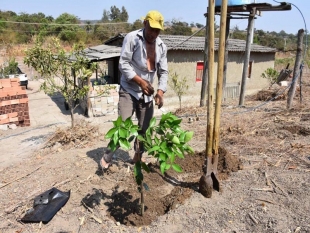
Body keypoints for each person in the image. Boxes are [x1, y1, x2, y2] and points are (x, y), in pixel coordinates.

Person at [100, 10, 168, 169]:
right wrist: (140, 82)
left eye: (157, 30)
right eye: (152, 29)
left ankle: (137, 157)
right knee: (122, 127)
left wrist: (160, 92)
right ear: (145, 24)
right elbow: (123, 64)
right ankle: (106, 159)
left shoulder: (161, 46)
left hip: (147, 95)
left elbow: (163, 71)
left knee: (145, 129)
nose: (154, 33)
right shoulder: (132, 38)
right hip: (129, 90)